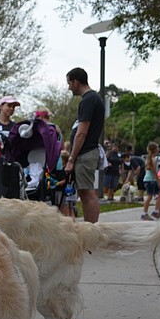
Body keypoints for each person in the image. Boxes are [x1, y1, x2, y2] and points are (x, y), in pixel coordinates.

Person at [65, 67, 105, 223]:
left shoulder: (88, 100)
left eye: (69, 83)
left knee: (88, 194)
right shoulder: (94, 99)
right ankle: (90, 227)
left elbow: (81, 133)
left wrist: (71, 159)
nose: (69, 87)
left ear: (76, 82)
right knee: (84, 193)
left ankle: (91, 229)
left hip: (85, 154)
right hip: (88, 153)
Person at [141, 141, 160, 220]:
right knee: (150, 196)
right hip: (150, 180)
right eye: (157, 147)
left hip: (150, 179)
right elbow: (154, 171)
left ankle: (156, 212)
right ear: (155, 150)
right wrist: (158, 181)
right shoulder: (152, 159)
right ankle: (144, 213)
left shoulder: (150, 159)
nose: (159, 149)